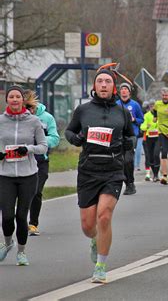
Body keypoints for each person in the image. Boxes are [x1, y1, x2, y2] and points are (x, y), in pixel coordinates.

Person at [65, 68, 134, 283]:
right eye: (100, 81)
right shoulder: (83, 110)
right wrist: (76, 139)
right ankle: (94, 240)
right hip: (88, 169)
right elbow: (69, 131)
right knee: (87, 226)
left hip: (113, 169)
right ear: (94, 86)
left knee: (104, 216)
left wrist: (126, 145)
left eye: (107, 82)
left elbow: (131, 135)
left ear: (114, 87)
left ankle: (101, 266)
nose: (103, 85)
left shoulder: (122, 112)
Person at [0, 85, 47, 266]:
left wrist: (27, 149)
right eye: (11, 97)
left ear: (22, 100)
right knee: (7, 216)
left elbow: (43, 146)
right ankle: (7, 242)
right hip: (5, 175)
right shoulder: (1, 121)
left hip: (28, 175)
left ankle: (21, 251)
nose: (14, 100)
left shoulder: (34, 121)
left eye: (17, 97)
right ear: (7, 100)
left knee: (21, 216)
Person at [25, 91, 60, 236]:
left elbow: (55, 138)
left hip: (40, 160)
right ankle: (19, 221)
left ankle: (33, 224)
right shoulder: (17, 119)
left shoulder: (47, 118)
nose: (27, 111)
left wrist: (41, 142)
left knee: (36, 191)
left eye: (29, 107)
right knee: (23, 192)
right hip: (22, 160)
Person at [116, 82, 144, 195]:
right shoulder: (116, 104)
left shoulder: (135, 105)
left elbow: (141, 119)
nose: (123, 91)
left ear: (129, 91)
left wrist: (134, 120)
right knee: (120, 161)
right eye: (121, 89)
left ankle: (130, 183)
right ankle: (126, 183)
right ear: (119, 92)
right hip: (118, 136)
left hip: (131, 135)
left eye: (125, 89)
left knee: (128, 160)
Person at [140, 100, 160, 182]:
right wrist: (146, 126)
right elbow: (142, 126)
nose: (152, 107)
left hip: (158, 137)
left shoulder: (159, 115)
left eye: (154, 106)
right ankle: (153, 174)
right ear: (149, 107)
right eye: (151, 106)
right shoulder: (146, 115)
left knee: (156, 154)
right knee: (150, 156)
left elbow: (161, 124)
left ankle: (156, 174)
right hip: (148, 137)